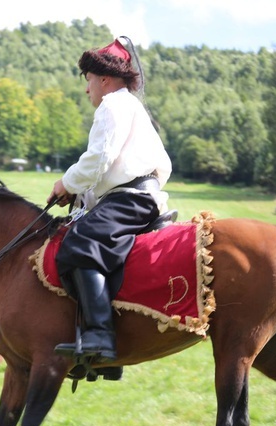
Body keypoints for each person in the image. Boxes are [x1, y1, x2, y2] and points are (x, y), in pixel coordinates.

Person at [49, 37, 172, 363]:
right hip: (133, 196)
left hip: (130, 200)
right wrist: (78, 192)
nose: (87, 89)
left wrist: (65, 183)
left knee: (79, 244)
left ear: (103, 78)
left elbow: (99, 158)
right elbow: (110, 172)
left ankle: (100, 338)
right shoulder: (130, 106)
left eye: (88, 80)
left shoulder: (112, 105)